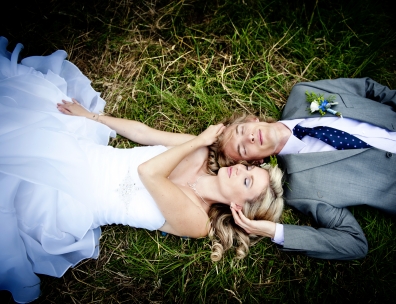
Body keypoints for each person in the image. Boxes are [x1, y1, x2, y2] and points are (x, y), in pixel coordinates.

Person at [0, 37, 284, 303]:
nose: (240, 170)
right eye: (248, 168)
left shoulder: (199, 222)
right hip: (85, 153)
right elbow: (145, 133)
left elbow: (148, 173)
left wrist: (198, 140)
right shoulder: (200, 151)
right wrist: (93, 117)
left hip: (72, 201)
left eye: (247, 182)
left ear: (237, 207)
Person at [214, 78, 396, 261]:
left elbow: (369, 88)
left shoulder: (302, 94)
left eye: (241, 131)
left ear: (252, 121)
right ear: (255, 163)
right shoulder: (300, 188)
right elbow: (354, 243)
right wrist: (274, 231)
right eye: (243, 150)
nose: (250, 139)